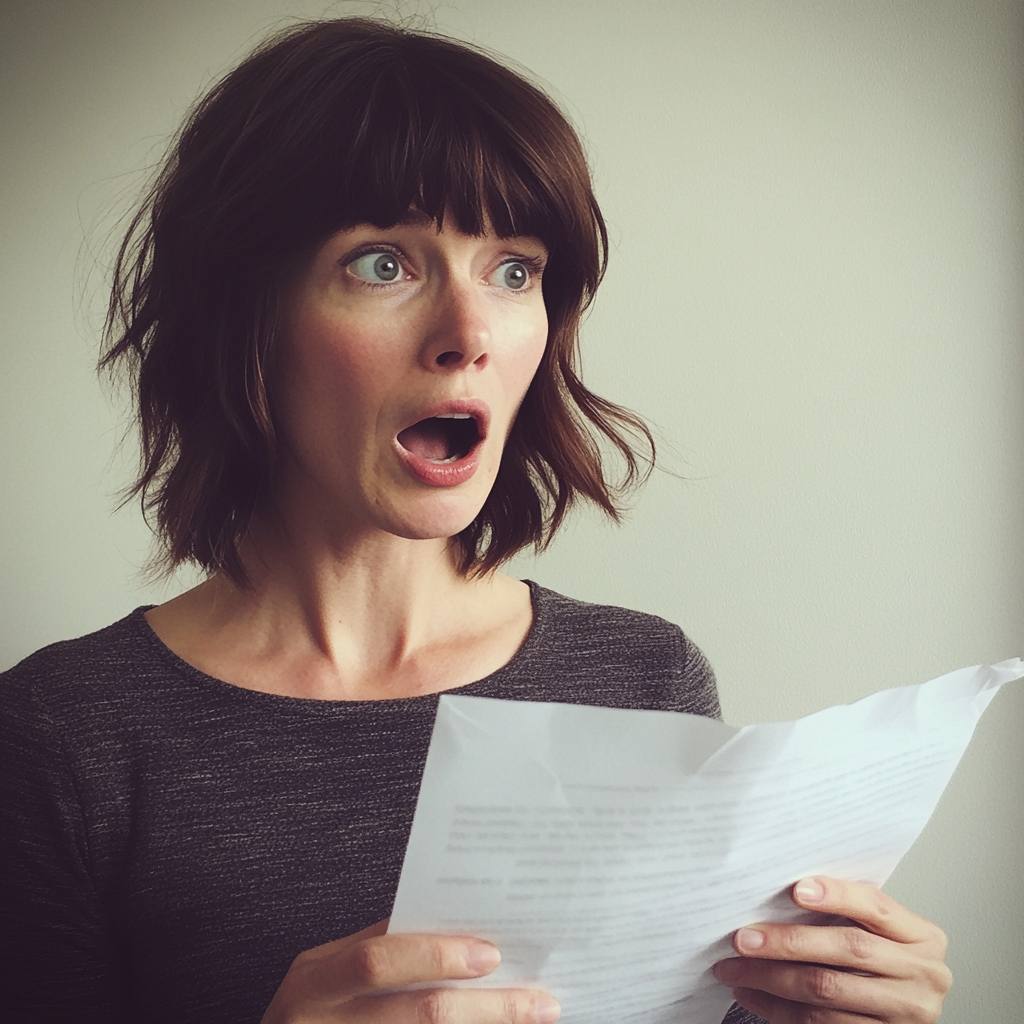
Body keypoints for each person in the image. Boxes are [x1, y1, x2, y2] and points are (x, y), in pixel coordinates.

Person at [0, 18, 951, 1024]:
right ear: (245, 315)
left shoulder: (645, 681)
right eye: (381, 264)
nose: (470, 334)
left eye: (513, 270)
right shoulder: (64, 739)